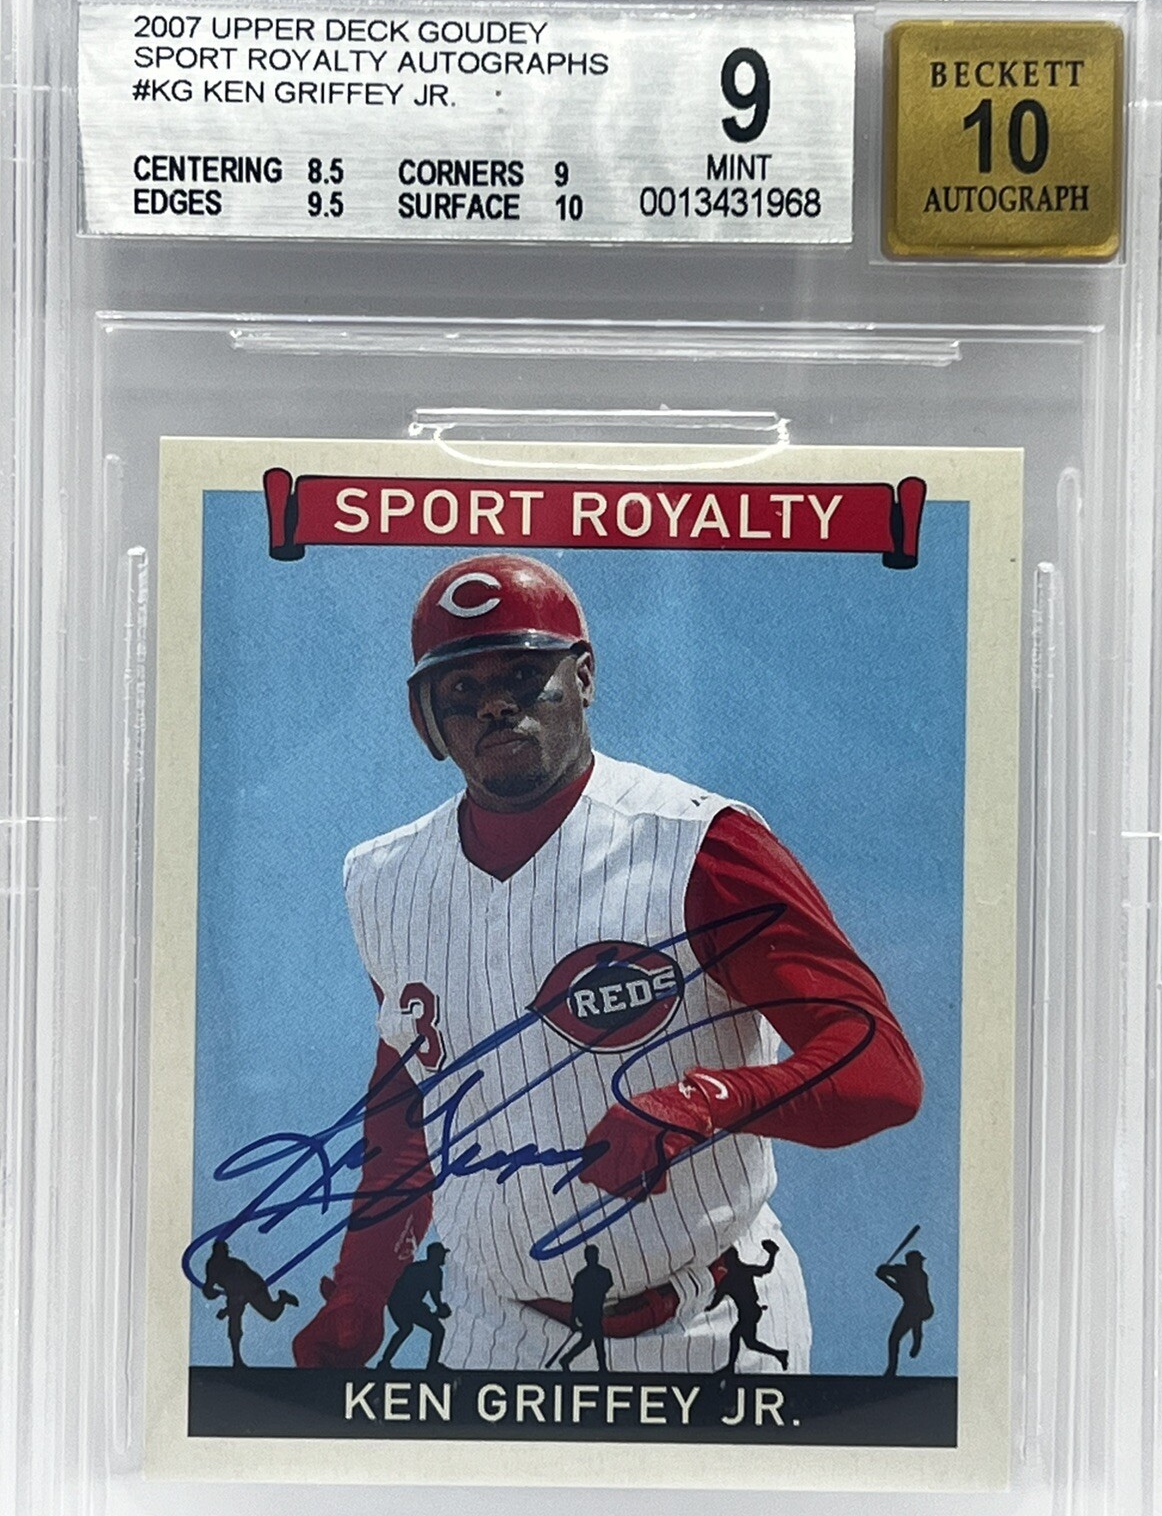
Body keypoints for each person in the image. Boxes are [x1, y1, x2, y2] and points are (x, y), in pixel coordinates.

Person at [293, 553, 922, 1373]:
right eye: (461, 687)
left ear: (583, 678)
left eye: (524, 674)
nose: (495, 704)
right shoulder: (385, 879)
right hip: (492, 1328)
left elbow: (882, 1071)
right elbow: (410, 1106)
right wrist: (360, 1289)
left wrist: (710, 1101)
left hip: (711, 1323)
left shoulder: (701, 846)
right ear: (425, 719)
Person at [201, 1239, 298, 1368]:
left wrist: (226, 1310)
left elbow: (241, 1294)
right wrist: (225, 1306)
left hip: (254, 1288)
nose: (222, 1254)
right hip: (239, 1292)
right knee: (235, 1323)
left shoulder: (235, 1267)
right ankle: (237, 1359)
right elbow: (213, 1287)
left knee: (272, 1314)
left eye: (224, 1252)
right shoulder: (212, 1266)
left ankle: (283, 1299)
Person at [705, 1240, 788, 1373]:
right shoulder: (737, 1275)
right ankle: (779, 1354)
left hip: (751, 1311)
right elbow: (718, 1297)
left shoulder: (735, 1276)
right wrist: (710, 1307)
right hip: (748, 1312)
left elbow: (766, 1269)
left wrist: (772, 1254)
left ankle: (731, 1367)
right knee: (750, 1343)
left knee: (736, 1335)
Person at [376, 1243, 452, 1371]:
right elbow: (433, 1295)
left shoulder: (418, 1268)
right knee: (437, 1330)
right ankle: (432, 1365)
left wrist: (432, 1309)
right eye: (441, 1255)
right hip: (403, 1303)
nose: (443, 1257)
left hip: (399, 1303)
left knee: (405, 1328)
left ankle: (385, 1362)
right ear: (435, 1256)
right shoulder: (433, 1271)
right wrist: (439, 1308)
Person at [875, 1249, 934, 1377]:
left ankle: (917, 1338)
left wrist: (884, 1274)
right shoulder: (906, 1272)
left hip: (921, 1307)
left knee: (913, 1315)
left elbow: (899, 1285)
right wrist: (884, 1275)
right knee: (894, 1338)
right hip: (914, 1307)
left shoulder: (916, 1274)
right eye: (918, 1261)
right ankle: (892, 1368)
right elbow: (898, 1287)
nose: (921, 1264)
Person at [557, 1245, 615, 1372]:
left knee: (588, 1340)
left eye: (593, 1255)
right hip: (587, 1313)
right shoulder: (582, 1276)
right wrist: (574, 1317)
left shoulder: (602, 1273)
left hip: (596, 1310)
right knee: (595, 1339)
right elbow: (577, 1298)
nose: (592, 1258)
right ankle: (602, 1367)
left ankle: (567, 1359)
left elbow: (607, 1286)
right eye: (590, 1255)